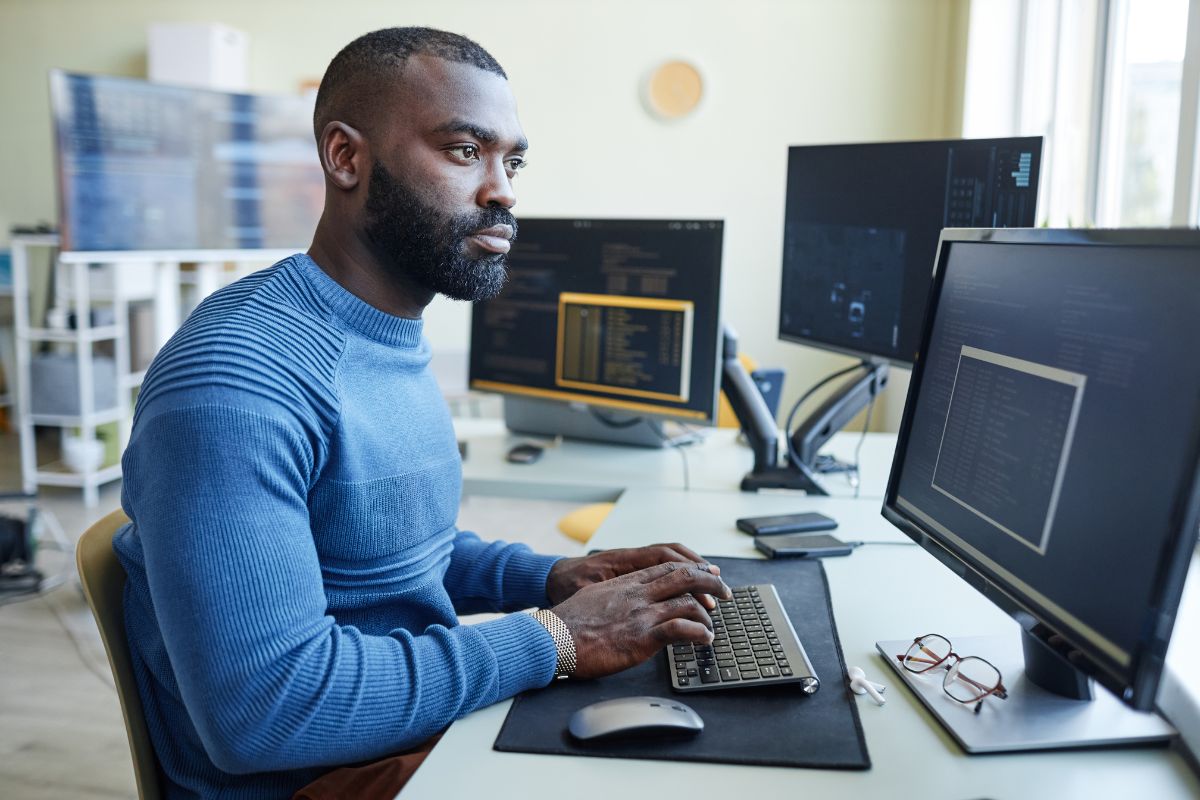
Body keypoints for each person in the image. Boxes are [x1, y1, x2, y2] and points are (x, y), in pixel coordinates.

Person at [114, 26, 730, 799]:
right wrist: (562, 638)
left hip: (400, 738)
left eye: (513, 161)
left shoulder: (384, 334)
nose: (503, 189)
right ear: (346, 157)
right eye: (465, 151)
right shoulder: (238, 381)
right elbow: (264, 711)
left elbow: (390, 553)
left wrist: (553, 578)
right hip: (319, 778)